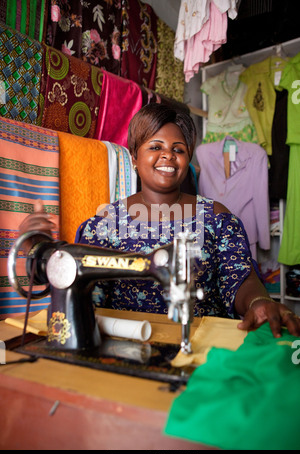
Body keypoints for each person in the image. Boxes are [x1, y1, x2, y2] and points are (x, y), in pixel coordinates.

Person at [19, 103, 300, 338]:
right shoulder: (103, 225)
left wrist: (258, 301)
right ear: (134, 157)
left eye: (178, 149)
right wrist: (35, 248)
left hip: (202, 343)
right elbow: (76, 286)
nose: (168, 154)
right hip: (121, 342)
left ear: (187, 158)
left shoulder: (217, 218)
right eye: (155, 146)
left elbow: (240, 278)